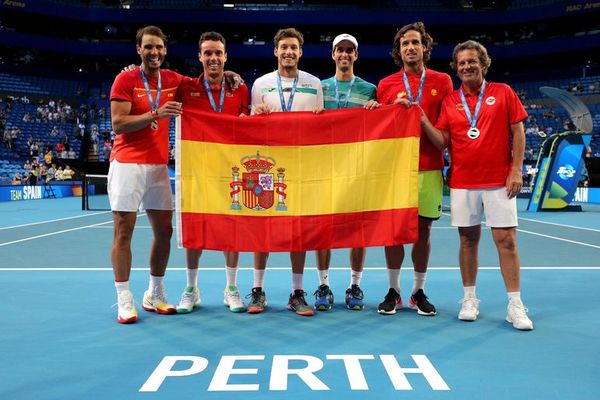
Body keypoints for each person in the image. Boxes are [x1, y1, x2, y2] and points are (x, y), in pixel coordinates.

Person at [420, 40, 534, 331]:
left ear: (483, 64)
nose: (467, 66)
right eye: (461, 63)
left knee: (506, 241)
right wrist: (421, 119)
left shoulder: (503, 92)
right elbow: (443, 141)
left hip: (499, 181)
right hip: (463, 181)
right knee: (468, 241)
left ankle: (515, 304)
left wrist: (516, 170)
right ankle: (469, 298)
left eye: (472, 61)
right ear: (456, 69)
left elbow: (518, 131)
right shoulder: (450, 101)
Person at [375, 22, 453, 316]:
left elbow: (447, 132)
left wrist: (420, 119)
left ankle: (418, 290)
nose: (410, 47)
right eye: (405, 43)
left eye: (415, 43)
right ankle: (393, 291)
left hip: (429, 167)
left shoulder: (442, 81)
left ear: (424, 48)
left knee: (423, 231)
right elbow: (379, 128)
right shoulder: (385, 85)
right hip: (395, 169)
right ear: (399, 51)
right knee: (393, 231)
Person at [109, 25, 184, 324]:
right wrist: (156, 113)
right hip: (127, 163)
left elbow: (203, 85)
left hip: (157, 167)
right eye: (148, 47)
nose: (154, 52)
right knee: (123, 231)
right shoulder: (125, 78)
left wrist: (230, 76)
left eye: (159, 47)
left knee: (164, 231)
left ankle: (155, 291)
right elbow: (118, 123)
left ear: (165, 50)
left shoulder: (173, 79)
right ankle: (124, 297)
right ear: (138, 49)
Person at [174, 31, 250, 314]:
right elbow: (158, 79)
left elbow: (247, 122)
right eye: (208, 53)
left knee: (232, 227)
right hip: (198, 170)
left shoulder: (239, 88)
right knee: (195, 227)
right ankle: (191, 289)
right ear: (200, 57)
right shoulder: (186, 87)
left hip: (231, 170)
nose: (213, 58)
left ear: (226, 56)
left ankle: (231, 288)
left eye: (218, 53)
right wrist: (131, 69)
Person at [250, 27, 324, 316]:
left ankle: (297, 292)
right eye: (284, 47)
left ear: (300, 52)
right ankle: (257, 290)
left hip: (302, 167)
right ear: (276, 51)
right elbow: (251, 127)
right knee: (262, 226)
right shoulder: (261, 83)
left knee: (299, 230)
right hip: (268, 165)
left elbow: (320, 128)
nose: (289, 52)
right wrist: (256, 117)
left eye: (294, 47)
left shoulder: (314, 83)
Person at [313, 33, 377, 312]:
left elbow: (381, 124)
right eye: (340, 50)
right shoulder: (319, 87)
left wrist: (376, 109)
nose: (345, 55)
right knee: (322, 230)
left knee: (358, 231)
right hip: (325, 169)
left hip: (356, 170)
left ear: (356, 56)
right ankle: (324, 285)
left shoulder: (370, 89)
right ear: (333, 54)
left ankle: (354, 285)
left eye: (350, 50)